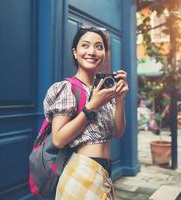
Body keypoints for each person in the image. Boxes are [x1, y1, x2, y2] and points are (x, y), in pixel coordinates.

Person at [43, 26, 128, 199]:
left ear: (104, 53)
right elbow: (58, 139)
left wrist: (120, 100)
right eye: (85, 45)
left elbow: (118, 132)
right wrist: (92, 106)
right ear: (75, 52)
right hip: (81, 171)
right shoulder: (67, 88)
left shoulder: (105, 90)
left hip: (103, 173)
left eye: (99, 46)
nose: (92, 51)